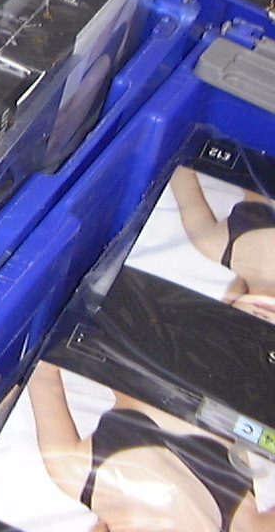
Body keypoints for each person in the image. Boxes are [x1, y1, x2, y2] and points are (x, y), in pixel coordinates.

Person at [27, 360, 275, 532]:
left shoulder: (72, 472)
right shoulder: (242, 525)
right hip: (244, 348)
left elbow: (39, 368)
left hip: (142, 321)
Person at [169, 165, 275, 325]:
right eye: (265, 331)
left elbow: (179, 170)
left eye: (246, 324)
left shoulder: (214, 244)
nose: (261, 317)